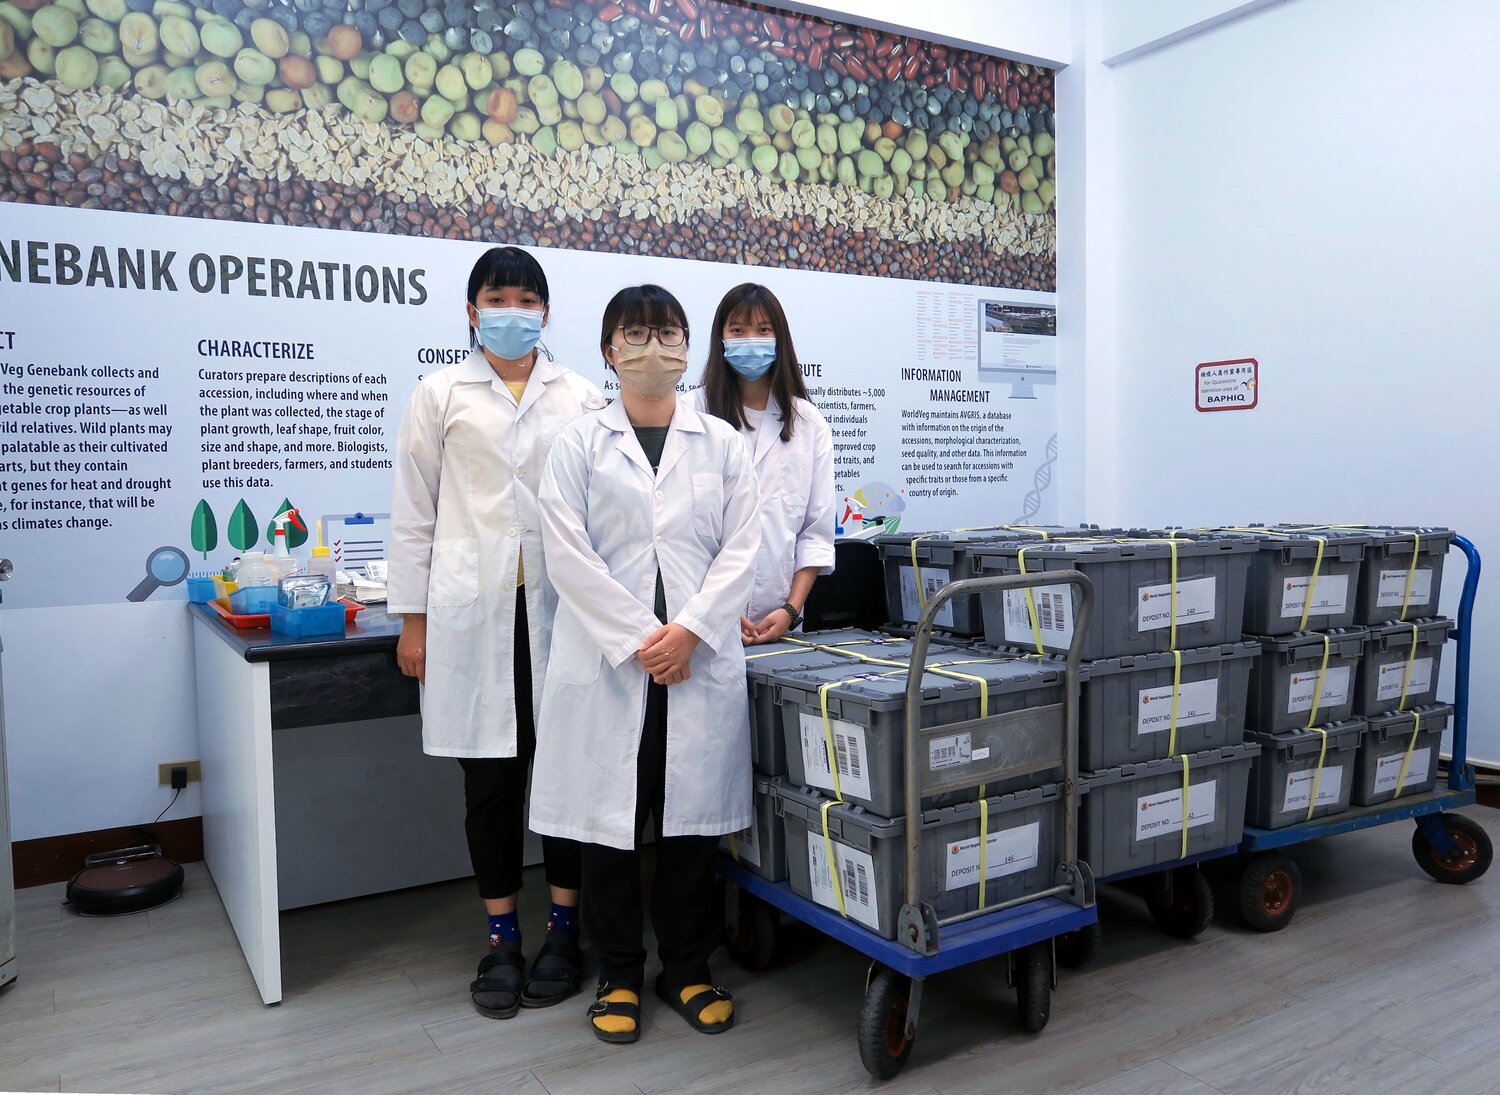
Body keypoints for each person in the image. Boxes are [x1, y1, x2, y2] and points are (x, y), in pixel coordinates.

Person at [530, 284, 759, 1045]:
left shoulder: (722, 442)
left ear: (688, 348)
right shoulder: (577, 443)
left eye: (667, 333)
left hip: (696, 663)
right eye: (637, 333)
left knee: (690, 826)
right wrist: (643, 638)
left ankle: (687, 966)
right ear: (608, 351)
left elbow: (742, 548)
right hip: (612, 666)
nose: (653, 347)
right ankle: (619, 971)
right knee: (612, 827)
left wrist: (690, 630)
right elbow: (567, 554)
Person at [388, 246, 605, 1021]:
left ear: (546, 311)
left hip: (564, 616)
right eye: (496, 296)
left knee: (567, 774)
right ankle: (502, 936)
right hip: (473, 618)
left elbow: (598, 510)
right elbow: (415, 513)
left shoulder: (580, 396)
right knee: (491, 786)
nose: (512, 309)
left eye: (526, 297)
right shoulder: (439, 393)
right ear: (472, 310)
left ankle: (565, 931)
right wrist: (412, 620)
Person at [690, 283, 835, 644]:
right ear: (720, 339)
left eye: (763, 330)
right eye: (737, 330)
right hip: (698, 618)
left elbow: (815, 531)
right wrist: (715, 607)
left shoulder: (808, 422)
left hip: (780, 619)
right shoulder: (691, 413)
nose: (750, 340)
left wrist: (791, 610)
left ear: (779, 339)